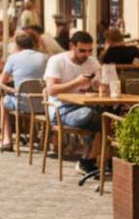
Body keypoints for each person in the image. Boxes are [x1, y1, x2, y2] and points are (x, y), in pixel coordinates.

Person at [44, 30, 102, 174]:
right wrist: (77, 82)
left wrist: (99, 84)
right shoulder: (57, 61)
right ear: (72, 46)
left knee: (109, 117)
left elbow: (101, 81)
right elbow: (51, 90)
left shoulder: (92, 61)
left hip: (85, 105)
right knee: (101, 119)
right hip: (61, 109)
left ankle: (90, 160)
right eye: (82, 50)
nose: (86, 54)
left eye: (90, 50)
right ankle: (90, 161)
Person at [0, 31, 49, 152]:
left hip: (23, 103)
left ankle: (7, 139)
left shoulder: (13, 58)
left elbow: (2, 81)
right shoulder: (45, 57)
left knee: (3, 101)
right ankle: (41, 139)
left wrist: (11, 89)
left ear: (17, 45)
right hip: (44, 103)